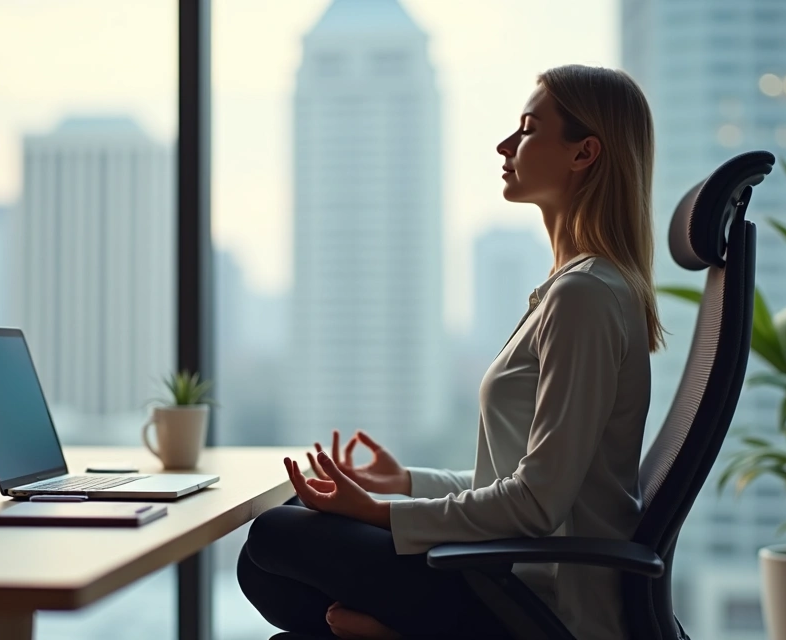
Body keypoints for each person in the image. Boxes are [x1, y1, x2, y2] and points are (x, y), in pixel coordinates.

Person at [237, 64, 664, 640]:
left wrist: (375, 511)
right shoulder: (574, 288)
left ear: (583, 153)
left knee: (273, 537)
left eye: (529, 129)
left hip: (541, 602)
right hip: (506, 570)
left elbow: (536, 503)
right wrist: (405, 481)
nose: (505, 145)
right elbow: (524, 476)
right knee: (273, 555)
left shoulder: (585, 296)